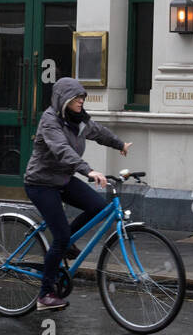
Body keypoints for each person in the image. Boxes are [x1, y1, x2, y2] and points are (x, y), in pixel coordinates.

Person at [24, 77, 131, 311]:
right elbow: (61, 150)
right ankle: (45, 294)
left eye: (83, 96)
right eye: (77, 97)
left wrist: (119, 143)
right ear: (64, 99)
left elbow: (99, 132)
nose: (82, 100)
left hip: (62, 179)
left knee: (100, 208)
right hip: (41, 183)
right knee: (60, 237)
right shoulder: (50, 120)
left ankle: (65, 242)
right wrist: (89, 170)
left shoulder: (79, 120)